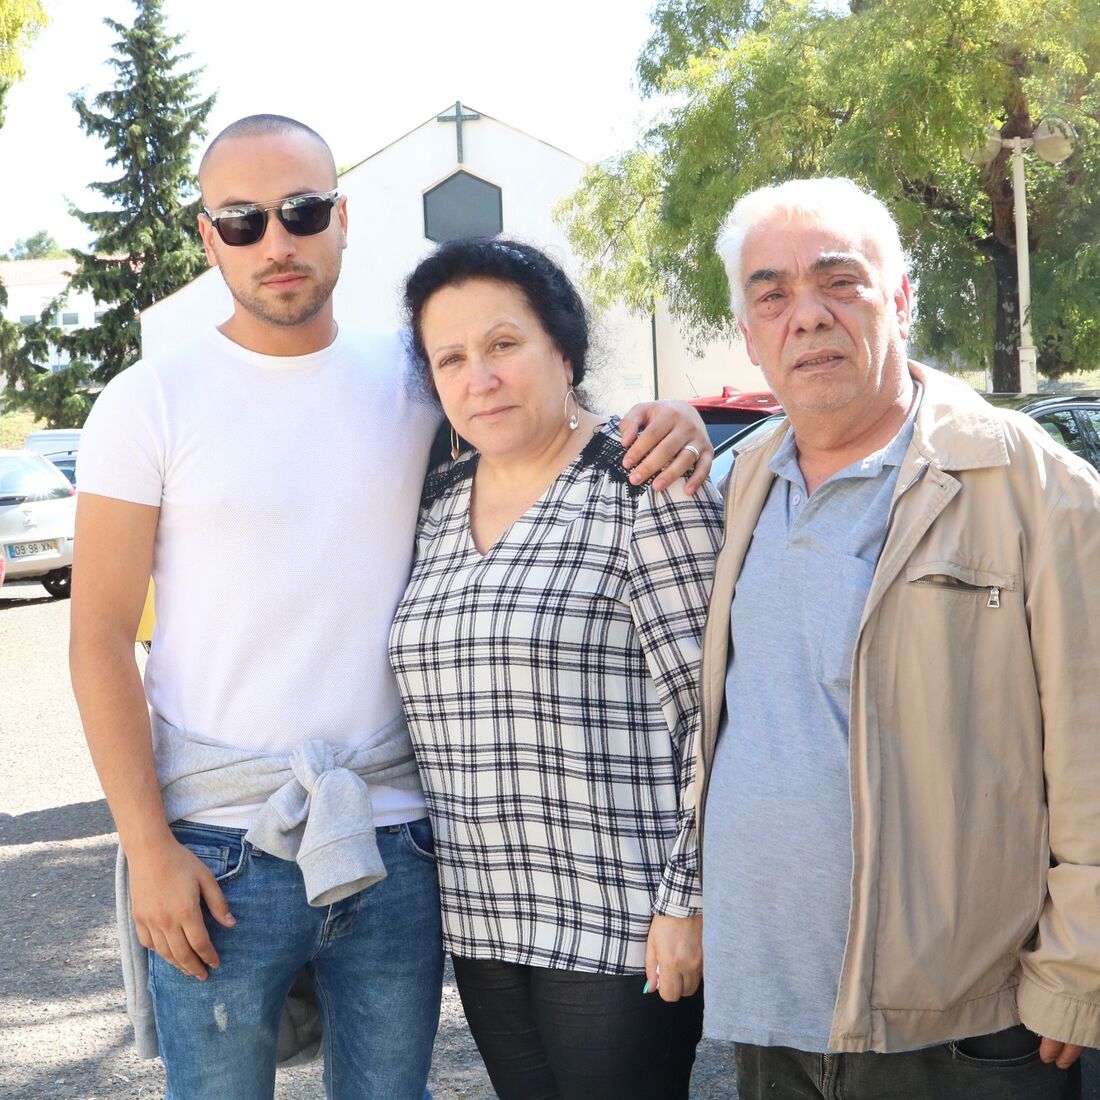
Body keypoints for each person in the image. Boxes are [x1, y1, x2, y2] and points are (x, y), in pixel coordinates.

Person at [68, 114, 714, 1100]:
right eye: (242, 221)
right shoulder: (147, 400)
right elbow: (100, 637)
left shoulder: (416, 383)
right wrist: (148, 848)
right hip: (218, 849)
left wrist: (671, 420)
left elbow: (542, 424)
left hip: (396, 839)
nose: (275, 241)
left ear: (341, 217)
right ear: (208, 236)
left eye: (301, 211)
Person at [694, 176, 1100, 1100]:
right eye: (771, 295)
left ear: (902, 298)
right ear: (749, 334)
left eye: (840, 281)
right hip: (770, 1014)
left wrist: (1078, 970)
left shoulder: (1031, 483)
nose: (807, 314)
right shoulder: (736, 484)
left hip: (965, 1025)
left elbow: (1091, 741)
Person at [389, 238, 724, 1100]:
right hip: (484, 921)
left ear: (563, 351)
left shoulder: (645, 483)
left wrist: (688, 901)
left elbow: (717, 714)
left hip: (622, 923)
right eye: (451, 359)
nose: (480, 378)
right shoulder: (434, 505)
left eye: (503, 344)